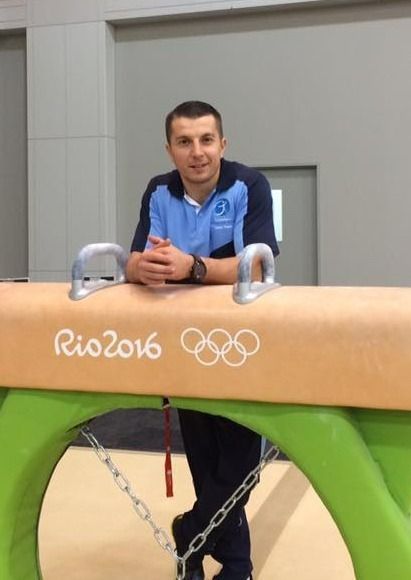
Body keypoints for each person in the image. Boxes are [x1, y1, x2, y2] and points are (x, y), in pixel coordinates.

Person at [126, 101, 279, 580]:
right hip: (185, 344)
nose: (197, 152)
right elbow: (135, 259)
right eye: (185, 142)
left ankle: (189, 532)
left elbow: (255, 266)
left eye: (206, 140)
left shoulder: (248, 186)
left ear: (223, 144)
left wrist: (191, 267)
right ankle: (234, 565)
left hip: (240, 345)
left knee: (242, 469)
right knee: (207, 463)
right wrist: (140, 268)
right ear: (170, 149)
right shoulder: (158, 191)